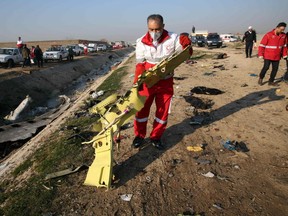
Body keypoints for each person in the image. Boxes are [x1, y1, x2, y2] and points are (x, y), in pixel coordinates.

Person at [132, 14, 192, 150]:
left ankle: (156, 136)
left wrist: (186, 42)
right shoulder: (141, 42)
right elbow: (140, 65)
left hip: (165, 82)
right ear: (147, 28)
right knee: (141, 110)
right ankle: (140, 135)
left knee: (162, 112)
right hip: (147, 82)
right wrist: (137, 83)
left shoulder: (173, 39)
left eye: (157, 29)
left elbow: (186, 52)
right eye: (151, 29)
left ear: (163, 26)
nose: (154, 33)